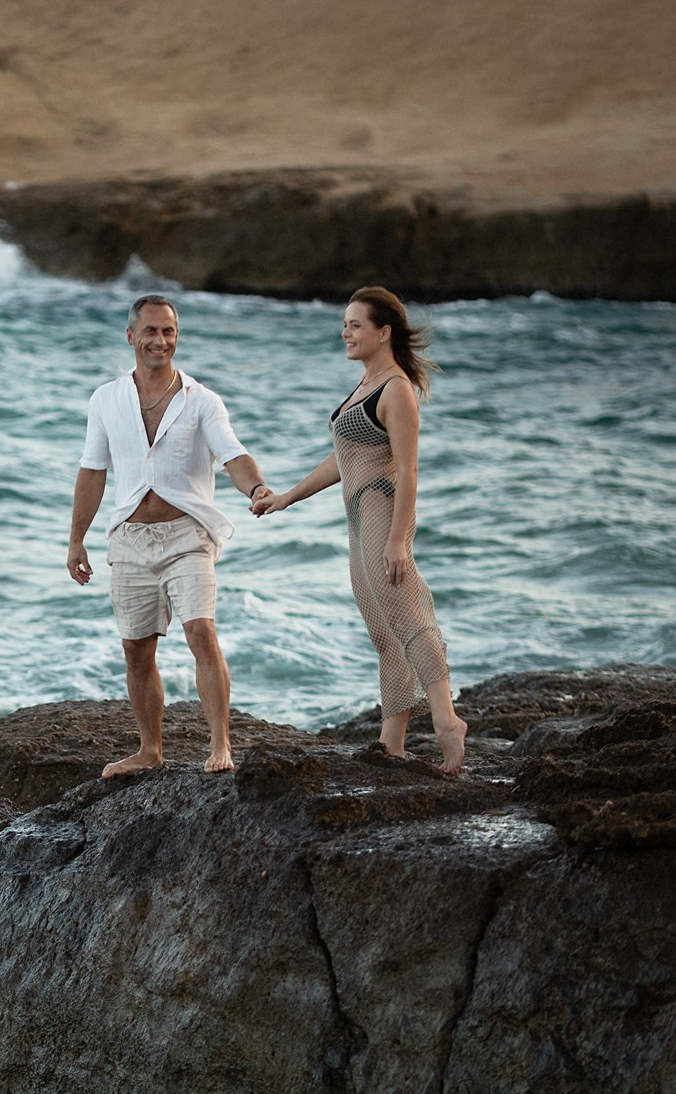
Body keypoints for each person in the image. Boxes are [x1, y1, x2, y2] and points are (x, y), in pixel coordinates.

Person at [252, 286, 468, 775]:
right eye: (345, 323)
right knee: (384, 634)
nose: (345, 332)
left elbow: (410, 472)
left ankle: (447, 723)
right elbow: (343, 459)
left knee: (408, 620)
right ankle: (391, 742)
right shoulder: (366, 385)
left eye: (355, 324)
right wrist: (287, 497)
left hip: (381, 512)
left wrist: (397, 540)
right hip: (357, 519)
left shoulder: (395, 390)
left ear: (383, 332)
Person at [67, 294, 271, 777]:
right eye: (152, 332)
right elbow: (92, 471)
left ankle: (220, 745)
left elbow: (232, 454)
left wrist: (257, 486)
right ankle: (150, 750)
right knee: (136, 647)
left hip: (187, 535)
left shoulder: (202, 401)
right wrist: (77, 539)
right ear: (131, 336)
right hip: (130, 537)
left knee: (200, 630)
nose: (161, 341)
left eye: (169, 332)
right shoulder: (106, 399)